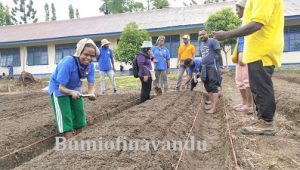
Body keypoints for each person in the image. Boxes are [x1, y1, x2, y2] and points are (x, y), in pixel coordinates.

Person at [213, 0, 283, 135]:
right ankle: (262, 120)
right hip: (258, 50)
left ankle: (266, 123)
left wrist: (226, 34)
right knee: (257, 86)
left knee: (261, 86)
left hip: (262, 49)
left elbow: (257, 24)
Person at [48, 38, 99, 139]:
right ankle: (70, 143)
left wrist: (91, 93)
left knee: (79, 113)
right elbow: (61, 88)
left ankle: (79, 139)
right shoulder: (68, 62)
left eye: (91, 56)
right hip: (59, 89)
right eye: (86, 54)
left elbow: (91, 85)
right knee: (65, 116)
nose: (88, 58)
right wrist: (71, 92)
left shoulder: (90, 66)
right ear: (79, 52)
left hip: (75, 88)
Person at [231, 0, 252, 113]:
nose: (236, 12)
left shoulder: (248, 22)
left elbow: (246, 40)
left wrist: (242, 53)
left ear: (244, 9)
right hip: (240, 53)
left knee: (246, 80)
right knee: (239, 80)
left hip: (245, 54)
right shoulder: (242, 22)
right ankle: (244, 102)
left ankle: (249, 105)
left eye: (237, 9)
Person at [199, 29, 224, 114]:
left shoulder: (213, 41)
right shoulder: (202, 45)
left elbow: (219, 54)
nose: (202, 36)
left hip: (213, 67)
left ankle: (214, 108)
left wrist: (221, 66)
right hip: (205, 68)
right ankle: (212, 104)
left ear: (207, 34)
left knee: (213, 87)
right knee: (207, 87)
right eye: (200, 35)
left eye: (203, 34)